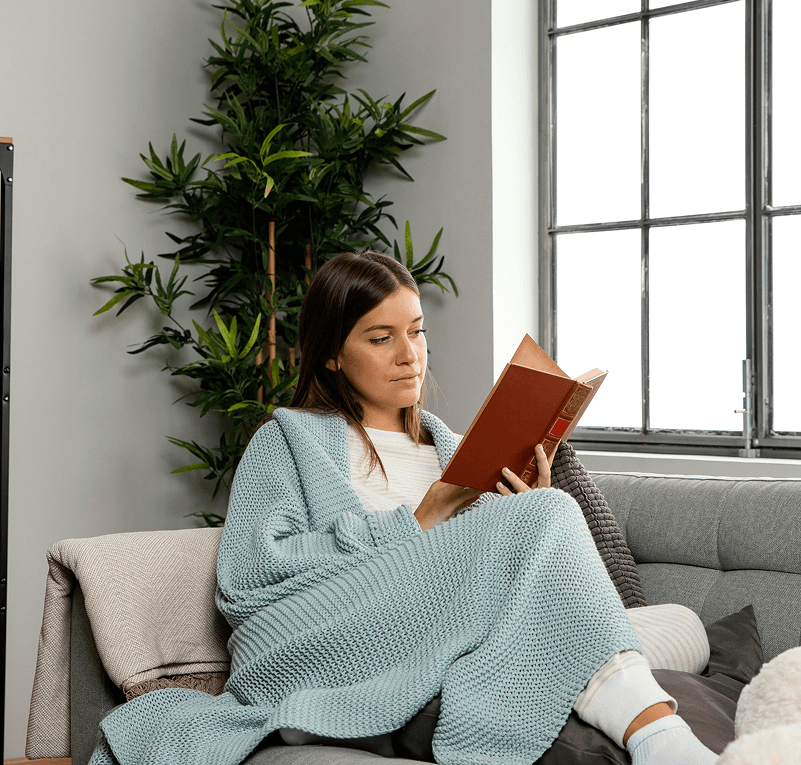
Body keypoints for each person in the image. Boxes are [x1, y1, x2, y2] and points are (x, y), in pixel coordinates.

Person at [87, 251, 718, 765]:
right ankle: (657, 732)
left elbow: (473, 571)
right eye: (381, 338)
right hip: (333, 636)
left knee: (576, 536)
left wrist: (513, 508)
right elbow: (249, 579)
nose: (409, 354)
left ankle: (637, 710)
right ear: (333, 352)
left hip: (440, 625)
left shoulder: (447, 443)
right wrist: (420, 518)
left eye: (416, 332)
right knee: (553, 521)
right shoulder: (287, 439)